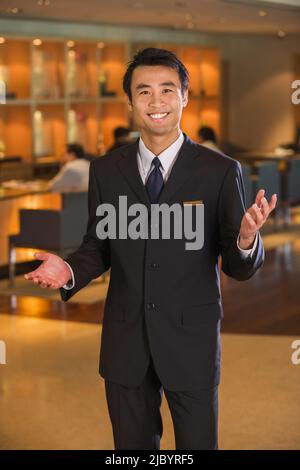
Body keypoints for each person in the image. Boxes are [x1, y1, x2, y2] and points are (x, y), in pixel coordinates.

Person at [24, 48, 277, 450]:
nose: (155, 101)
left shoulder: (219, 171)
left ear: (185, 97)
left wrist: (246, 240)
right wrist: (70, 270)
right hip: (126, 343)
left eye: (167, 89)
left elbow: (237, 264)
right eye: (144, 91)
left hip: (190, 340)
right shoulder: (106, 170)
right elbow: (98, 245)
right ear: (129, 101)